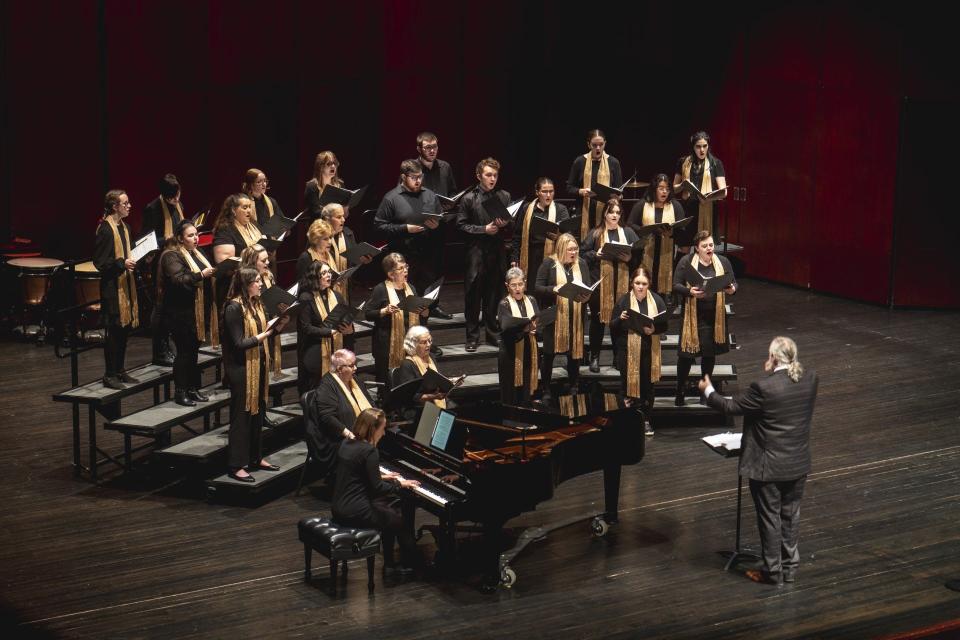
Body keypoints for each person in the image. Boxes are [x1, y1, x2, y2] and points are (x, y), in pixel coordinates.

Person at [699, 336, 818, 585]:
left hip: (769, 467)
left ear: (774, 357)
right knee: (790, 516)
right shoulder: (810, 379)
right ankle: (789, 569)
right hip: (797, 463)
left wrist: (708, 390)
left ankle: (772, 573)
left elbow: (730, 407)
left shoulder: (764, 388)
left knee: (770, 517)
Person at [332, 407, 422, 575]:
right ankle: (413, 565)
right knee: (398, 522)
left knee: (388, 513)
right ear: (373, 429)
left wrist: (385, 477)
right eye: (383, 429)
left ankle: (389, 564)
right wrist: (400, 485)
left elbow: (357, 474)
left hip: (339, 506)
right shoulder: (370, 451)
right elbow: (378, 488)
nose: (384, 434)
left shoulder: (347, 443)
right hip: (355, 510)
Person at [221, 268, 288, 482]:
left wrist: (279, 325)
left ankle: (255, 457)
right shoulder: (233, 307)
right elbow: (239, 343)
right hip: (240, 369)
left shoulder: (257, 303)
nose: (261, 284)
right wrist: (262, 336)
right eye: (257, 281)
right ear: (245, 283)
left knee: (258, 413)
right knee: (241, 416)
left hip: (258, 364)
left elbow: (266, 331)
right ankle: (236, 465)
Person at [374, 159, 451, 326]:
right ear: (403, 177)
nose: (418, 181)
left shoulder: (430, 195)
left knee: (424, 302)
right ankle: (404, 339)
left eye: (420, 177)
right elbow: (379, 226)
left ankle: (422, 337)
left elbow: (441, 220)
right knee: (405, 301)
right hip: (403, 258)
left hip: (427, 257)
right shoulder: (392, 198)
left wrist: (437, 225)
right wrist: (405, 228)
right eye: (414, 177)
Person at [672, 231, 737, 405]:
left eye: (710, 245)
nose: (709, 248)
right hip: (692, 315)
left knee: (708, 355)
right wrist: (689, 291)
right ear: (697, 248)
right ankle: (680, 390)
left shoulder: (723, 262)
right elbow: (675, 284)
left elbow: (733, 282)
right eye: (704, 246)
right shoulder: (686, 262)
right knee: (685, 356)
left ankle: (704, 391)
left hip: (712, 316)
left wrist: (732, 289)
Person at [456, 157, 512, 351]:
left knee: (493, 296)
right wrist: (483, 229)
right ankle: (472, 337)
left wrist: (506, 225)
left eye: (495, 175)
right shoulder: (469, 198)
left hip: (496, 253)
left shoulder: (504, 196)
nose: (492, 179)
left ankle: (492, 333)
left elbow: (512, 224)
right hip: (476, 254)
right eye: (488, 175)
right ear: (479, 175)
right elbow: (460, 226)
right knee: (473, 296)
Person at [157, 220, 216, 406]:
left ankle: (193, 388)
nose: (195, 238)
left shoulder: (197, 253)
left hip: (198, 312)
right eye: (190, 235)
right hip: (180, 313)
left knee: (193, 352)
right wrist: (201, 275)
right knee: (184, 353)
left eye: (196, 234)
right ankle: (180, 391)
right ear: (180, 239)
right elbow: (178, 279)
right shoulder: (171, 256)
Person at [581, 197, 638, 373]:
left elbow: (637, 257)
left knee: (619, 321)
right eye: (611, 211)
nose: (614, 215)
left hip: (621, 284)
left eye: (618, 212)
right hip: (600, 284)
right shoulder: (596, 233)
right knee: (598, 322)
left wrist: (630, 259)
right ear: (605, 213)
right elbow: (582, 254)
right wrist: (595, 254)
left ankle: (617, 357)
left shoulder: (627, 232)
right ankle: (595, 357)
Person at [609, 267, 667, 435]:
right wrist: (619, 319)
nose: (640, 287)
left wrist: (654, 330)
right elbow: (612, 326)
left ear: (649, 284)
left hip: (649, 350)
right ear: (631, 284)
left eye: (644, 283)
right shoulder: (624, 301)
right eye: (637, 283)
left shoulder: (657, 300)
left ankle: (647, 420)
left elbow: (664, 325)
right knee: (627, 386)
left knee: (648, 387)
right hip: (627, 350)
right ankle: (627, 420)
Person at [534, 233, 590, 402]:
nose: (573, 252)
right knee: (549, 354)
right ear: (561, 249)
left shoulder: (582, 263)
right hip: (555, 317)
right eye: (570, 249)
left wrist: (587, 296)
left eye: (575, 249)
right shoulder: (549, 263)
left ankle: (574, 385)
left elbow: (586, 287)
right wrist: (553, 289)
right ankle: (545, 388)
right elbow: (537, 287)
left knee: (574, 354)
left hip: (575, 316)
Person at [94, 190, 140, 390]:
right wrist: (122, 263)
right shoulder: (105, 229)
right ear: (115, 207)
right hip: (113, 289)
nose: (129, 206)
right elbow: (100, 263)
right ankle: (109, 374)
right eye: (125, 203)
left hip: (126, 286)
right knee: (114, 332)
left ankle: (120, 370)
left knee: (124, 330)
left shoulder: (126, 227)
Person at [307, 349, 374, 483]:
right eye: (351, 365)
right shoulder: (326, 385)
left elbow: (369, 402)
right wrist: (349, 434)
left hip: (358, 432)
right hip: (335, 439)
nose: (355, 368)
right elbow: (327, 418)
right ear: (339, 369)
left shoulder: (353, 379)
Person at [364, 253, 429, 384]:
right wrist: (384, 311)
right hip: (387, 344)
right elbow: (368, 313)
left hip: (409, 343)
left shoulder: (411, 288)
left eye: (406, 267)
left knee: (409, 379)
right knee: (387, 380)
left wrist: (425, 313)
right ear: (391, 274)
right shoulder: (380, 289)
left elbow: (419, 318)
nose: (405, 271)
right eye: (400, 269)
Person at [141, 173, 183, 366]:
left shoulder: (177, 205)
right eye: (171, 198)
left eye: (178, 196)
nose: (176, 200)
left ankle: (169, 347)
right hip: (159, 263)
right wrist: (166, 240)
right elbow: (146, 240)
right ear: (164, 195)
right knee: (161, 308)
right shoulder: (152, 208)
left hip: (176, 260)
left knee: (172, 309)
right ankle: (159, 351)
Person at [297, 261, 353, 395]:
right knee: (317, 389)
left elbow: (346, 318)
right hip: (315, 350)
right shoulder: (306, 298)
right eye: (324, 273)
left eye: (329, 272)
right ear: (315, 277)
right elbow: (306, 328)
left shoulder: (337, 296)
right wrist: (329, 332)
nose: (328, 275)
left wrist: (350, 330)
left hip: (336, 347)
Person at [628, 173, 686, 296]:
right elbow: (630, 224)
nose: (664, 192)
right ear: (654, 189)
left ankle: (665, 297)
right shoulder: (643, 204)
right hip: (646, 251)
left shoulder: (675, 205)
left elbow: (682, 228)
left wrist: (672, 232)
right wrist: (645, 230)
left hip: (668, 251)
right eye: (661, 188)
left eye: (667, 189)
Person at [566, 129, 623, 241]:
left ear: (605, 144)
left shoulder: (613, 162)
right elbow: (569, 187)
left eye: (601, 145)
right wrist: (581, 191)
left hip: (605, 213)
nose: (598, 148)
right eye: (594, 145)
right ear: (588, 145)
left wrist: (617, 196)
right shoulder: (580, 161)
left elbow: (619, 190)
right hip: (583, 212)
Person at [496, 267, 540, 406]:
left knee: (527, 389)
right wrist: (525, 329)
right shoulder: (504, 304)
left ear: (525, 283)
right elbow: (506, 327)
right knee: (511, 393)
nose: (517, 288)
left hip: (529, 350)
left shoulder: (531, 300)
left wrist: (535, 329)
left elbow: (539, 320)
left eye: (520, 284)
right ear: (507, 286)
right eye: (513, 285)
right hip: (510, 353)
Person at [511, 177, 570, 278]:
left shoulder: (561, 209)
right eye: (544, 191)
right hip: (531, 256)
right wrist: (514, 258)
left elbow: (569, 236)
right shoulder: (527, 208)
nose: (548, 195)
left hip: (554, 255)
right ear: (537, 192)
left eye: (551, 191)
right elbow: (517, 235)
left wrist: (559, 237)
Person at [212, 193, 260, 317]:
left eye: (250, 207)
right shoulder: (225, 229)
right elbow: (225, 262)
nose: (249, 210)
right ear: (233, 210)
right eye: (244, 207)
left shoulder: (253, 226)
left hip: (255, 282)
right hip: (234, 287)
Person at [673, 131, 727, 241]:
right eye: (698, 146)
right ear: (693, 147)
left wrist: (708, 198)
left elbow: (724, 192)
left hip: (708, 208)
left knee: (705, 244)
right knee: (685, 246)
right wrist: (683, 185)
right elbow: (674, 189)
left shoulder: (716, 163)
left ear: (708, 146)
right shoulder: (683, 162)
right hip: (688, 210)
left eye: (704, 146)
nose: (702, 150)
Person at [392, 326, 449, 421]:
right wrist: (433, 396)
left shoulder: (431, 357)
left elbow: (438, 379)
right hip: (416, 408)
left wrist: (451, 382)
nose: (428, 345)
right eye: (424, 342)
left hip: (435, 400)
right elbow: (409, 397)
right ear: (413, 344)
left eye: (430, 341)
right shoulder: (407, 365)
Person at [304, 151, 345, 223]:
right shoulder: (312, 186)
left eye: (335, 163)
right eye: (329, 164)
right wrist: (333, 215)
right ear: (321, 167)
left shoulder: (340, 185)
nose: (333, 166)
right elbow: (315, 213)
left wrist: (346, 209)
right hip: (319, 227)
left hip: (337, 225)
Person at [296, 219, 337, 284]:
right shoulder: (305, 258)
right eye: (325, 239)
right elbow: (302, 286)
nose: (330, 242)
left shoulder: (331, 254)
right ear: (316, 240)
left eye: (330, 237)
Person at [416, 132, 457, 197]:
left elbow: (452, 191)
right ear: (419, 149)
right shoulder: (411, 168)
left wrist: (451, 203)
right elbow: (403, 194)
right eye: (428, 147)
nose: (432, 150)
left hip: (442, 207)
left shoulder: (445, 167)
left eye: (434, 146)